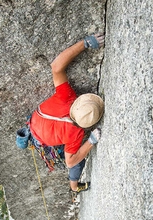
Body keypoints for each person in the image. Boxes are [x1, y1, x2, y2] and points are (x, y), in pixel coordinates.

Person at [28, 33, 105, 194]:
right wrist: (90, 141)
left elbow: (56, 66)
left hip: (35, 122)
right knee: (78, 162)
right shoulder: (75, 133)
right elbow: (70, 162)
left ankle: (75, 186)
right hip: (41, 138)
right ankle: (74, 187)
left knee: (76, 154)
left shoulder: (66, 97)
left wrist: (85, 43)